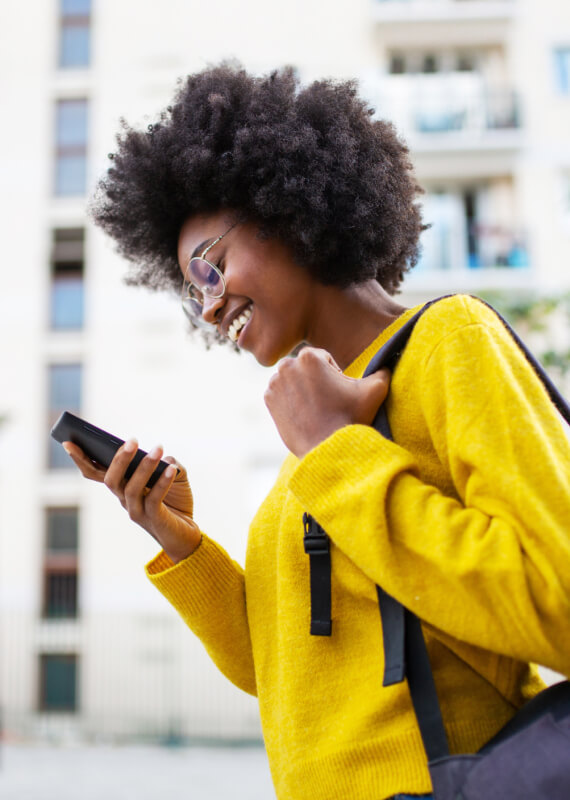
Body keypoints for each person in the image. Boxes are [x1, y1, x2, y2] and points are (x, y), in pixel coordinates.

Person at [63, 63, 570, 800]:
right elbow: (283, 671)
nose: (206, 308)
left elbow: (558, 595)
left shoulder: (446, 342)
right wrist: (179, 540)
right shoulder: (316, 436)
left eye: (209, 269)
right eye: (189, 293)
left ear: (287, 211)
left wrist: (340, 455)